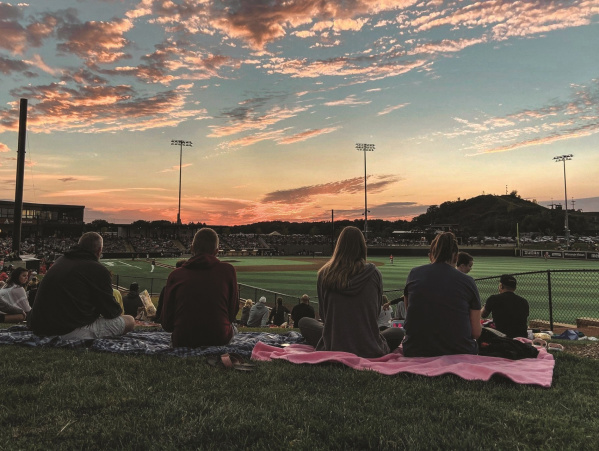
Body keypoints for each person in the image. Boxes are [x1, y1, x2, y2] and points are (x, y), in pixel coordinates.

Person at [299, 226, 404, 358]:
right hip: (369, 346)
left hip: (334, 344)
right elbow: (375, 313)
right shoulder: (374, 273)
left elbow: (324, 315)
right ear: (362, 247)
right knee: (397, 333)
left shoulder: (324, 273)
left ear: (339, 246)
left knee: (304, 322)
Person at [27, 232, 135, 339]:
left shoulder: (61, 260)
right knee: (130, 320)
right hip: (65, 330)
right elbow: (111, 312)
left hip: (38, 327)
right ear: (99, 251)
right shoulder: (97, 269)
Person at [402, 232, 481, 357]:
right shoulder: (468, 281)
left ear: (431, 254)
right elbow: (476, 332)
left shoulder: (414, 273)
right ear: (456, 257)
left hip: (415, 349)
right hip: (460, 351)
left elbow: (411, 316)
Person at [161, 228, 239, 347]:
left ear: (192, 248)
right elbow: (232, 314)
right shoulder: (228, 270)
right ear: (217, 251)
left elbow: (167, 324)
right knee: (234, 329)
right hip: (219, 338)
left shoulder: (175, 275)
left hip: (182, 339)